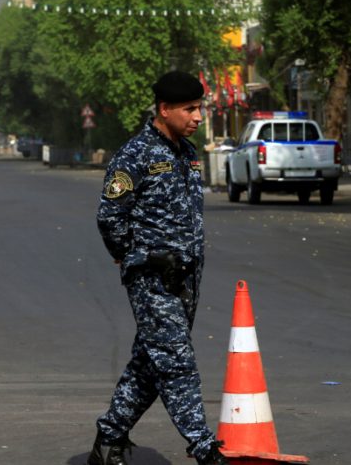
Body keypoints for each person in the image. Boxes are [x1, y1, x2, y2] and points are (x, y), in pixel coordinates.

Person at [88, 70, 227, 465]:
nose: (198, 117)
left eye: (199, 108)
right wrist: (135, 256)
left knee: (151, 362)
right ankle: (204, 447)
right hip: (151, 279)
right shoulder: (135, 155)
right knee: (176, 360)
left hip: (185, 279)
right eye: (190, 109)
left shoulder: (188, 153)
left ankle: (109, 437)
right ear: (165, 109)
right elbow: (109, 216)